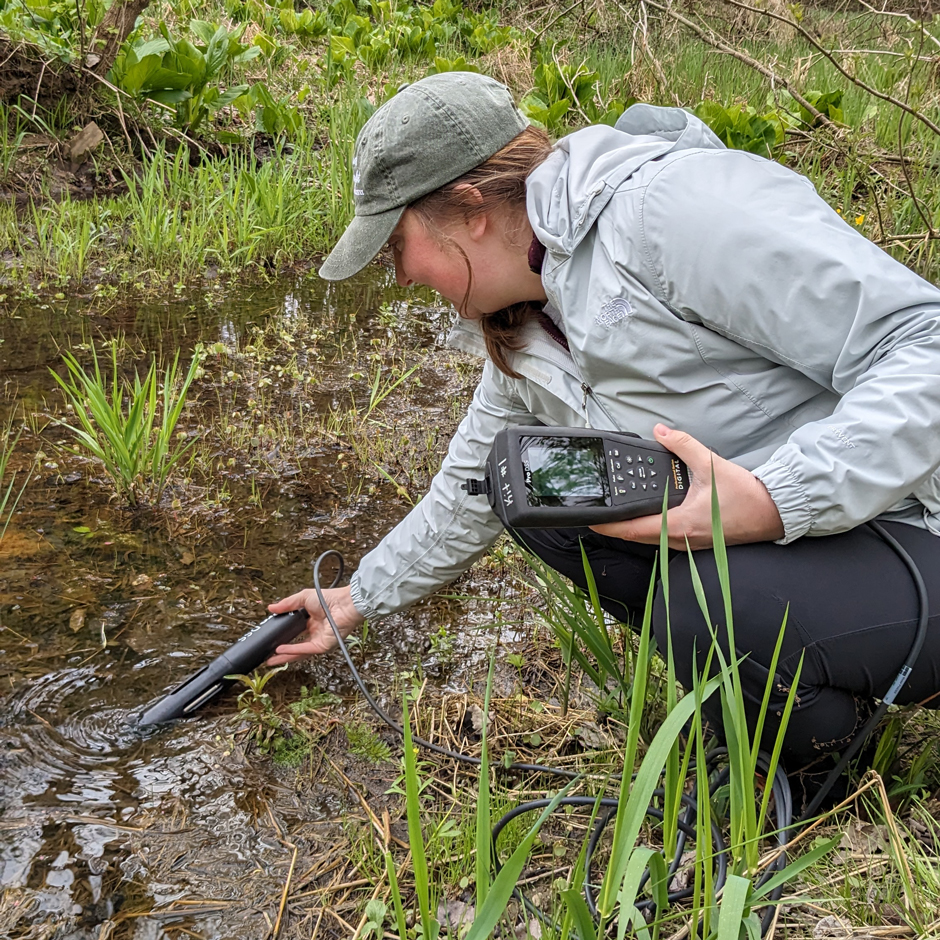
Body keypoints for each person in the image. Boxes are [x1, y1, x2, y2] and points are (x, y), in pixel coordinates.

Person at [267, 71, 940, 772]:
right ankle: (793, 695)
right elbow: (468, 487)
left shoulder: (671, 211)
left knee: (701, 604)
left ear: (469, 209)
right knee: (530, 483)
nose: (400, 276)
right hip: (820, 539)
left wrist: (776, 498)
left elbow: (925, 344)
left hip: (916, 521)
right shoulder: (526, 319)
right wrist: (360, 598)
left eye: (396, 246)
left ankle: (812, 774)